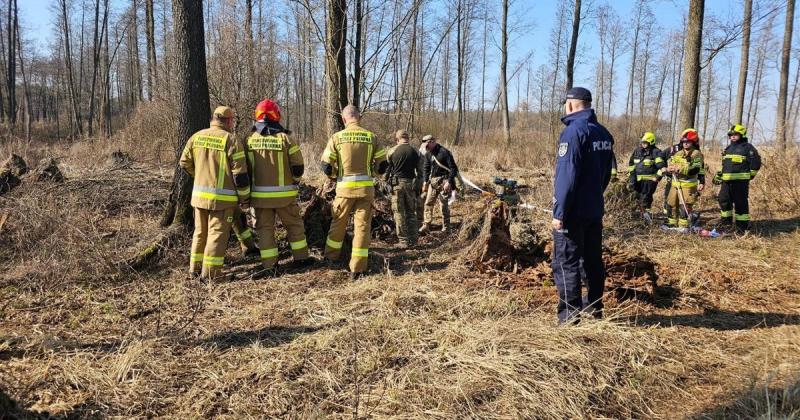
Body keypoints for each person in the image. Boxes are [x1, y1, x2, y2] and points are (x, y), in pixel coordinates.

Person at [551, 87, 614, 324]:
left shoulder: (573, 133)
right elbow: (606, 174)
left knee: (565, 261)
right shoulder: (603, 133)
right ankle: (594, 307)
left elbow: (566, 175)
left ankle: (569, 316)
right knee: (592, 259)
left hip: (572, 212)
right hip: (594, 208)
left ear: (571, 104)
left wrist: (559, 212)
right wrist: (594, 195)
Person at [179, 106, 251, 280]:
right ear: (227, 121)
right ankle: (211, 275)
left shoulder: (196, 137)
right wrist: (244, 198)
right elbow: (240, 176)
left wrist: (199, 176)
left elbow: (184, 162)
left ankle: (194, 269)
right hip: (222, 200)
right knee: (216, 235)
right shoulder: (230, 140)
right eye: (232, 120)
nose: (232, 123)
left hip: (198, 198)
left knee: (200, 232)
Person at [320, 105, 388, 278]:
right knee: (362, 228)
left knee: (338, 224)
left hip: (344, 190)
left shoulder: (337, 137)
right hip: (365, 190)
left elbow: (326, 166)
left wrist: (336, 175)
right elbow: (382, 166)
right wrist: (372, 173)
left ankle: (331, 259)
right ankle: (357, 269)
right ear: (359, 117)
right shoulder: (371, 137)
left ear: (344, 119)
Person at [246, 99, 310, 272]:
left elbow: (243, 169)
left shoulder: (250, 140)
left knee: (265, 229)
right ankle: (301, 259)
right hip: (285, 196)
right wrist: (295, 181)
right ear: (277, 115)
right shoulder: (286, 139)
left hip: (259, 197)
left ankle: (269, 266)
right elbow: (298, 167)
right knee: (294, 225)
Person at [713, 124, 761, 232]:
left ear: (742, 134)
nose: (732, 137)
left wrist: (750, 175)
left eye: (735, 135)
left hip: (740, 182)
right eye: (731, 135)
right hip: (726, 181)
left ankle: (742, 226)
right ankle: (726, 222)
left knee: (740, 202)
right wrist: (719, 175)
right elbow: (726, 165)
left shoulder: (748, 148)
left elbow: (756, 163)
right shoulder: (728, 148)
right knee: (723, 199)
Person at [662, 128, 704, 231]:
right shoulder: (678, 154)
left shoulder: (697, 154)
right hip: (675, 183)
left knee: (684, 205)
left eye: (688, 142)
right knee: (671, 203)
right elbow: (672, 164)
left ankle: (684, 226)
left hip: (688, 185)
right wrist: (670, 168)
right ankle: (672, 223)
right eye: (684, 142)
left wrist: (680, 169)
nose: (685, 144)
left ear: (693, 142)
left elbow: (695, 169)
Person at [385, 129, 420, 248]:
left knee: (399, 212)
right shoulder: (416, 151)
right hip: (411, 184)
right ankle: (414, 240)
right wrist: (419, 186)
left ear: (397, 139)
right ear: (408, 138)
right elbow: (421, 171)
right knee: (411, 212)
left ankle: (403, 241)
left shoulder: (392, 151)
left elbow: (388, 168)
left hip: (397, 185)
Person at [419, 135, 458, 233]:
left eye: (427, 144)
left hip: (444, 182)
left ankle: (446, 228)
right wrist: (425, 182)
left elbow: (454, 169)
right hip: (433, 182)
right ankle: (426, 225)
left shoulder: (444, 152)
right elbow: (426, 168)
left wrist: (449, 182)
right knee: (428, 203)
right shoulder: (428, 154)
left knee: (443, 205)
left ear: (433, 142)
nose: (426, 147)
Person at [626, 132, 666, 223]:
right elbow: (631, 165)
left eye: (645, 142)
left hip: (649, 181)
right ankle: (639, 216)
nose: (643, 144)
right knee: (635, 197)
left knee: (645, 198)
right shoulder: (637, 151)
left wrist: (657, 177)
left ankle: (646, 219)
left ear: (651, 142)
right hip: (637, 180)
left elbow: (662, 166)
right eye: (642, 142)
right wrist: (632, 178)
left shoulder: (656, 152)